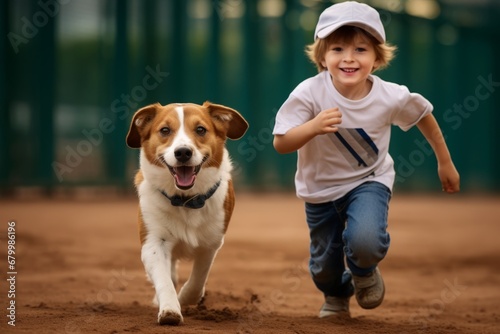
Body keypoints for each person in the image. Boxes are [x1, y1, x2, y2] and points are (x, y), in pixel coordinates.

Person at [272, 1, 460, 319]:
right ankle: (336, 294)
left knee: (365, 240)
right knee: (322, 267)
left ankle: (363, 270)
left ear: (377, 58)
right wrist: (312, 127)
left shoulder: (390, 96)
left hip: (369, 181)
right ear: (322, 57)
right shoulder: (308, 94)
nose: (348, 58)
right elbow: (281, 143)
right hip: (319, 192)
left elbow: (424, 116)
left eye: (360, 49)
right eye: (337, 49)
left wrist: (445, 161)